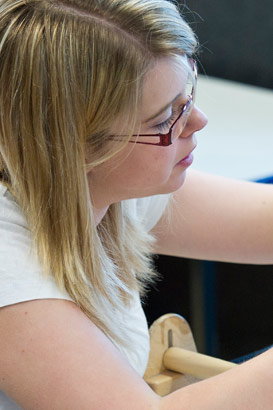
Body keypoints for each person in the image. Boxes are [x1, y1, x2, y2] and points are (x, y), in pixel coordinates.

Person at [0, 0, 272, 408]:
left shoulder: (101, 186)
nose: (197, 120)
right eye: (166, 119)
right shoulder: (11, 267)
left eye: (189, 90)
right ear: (76, 146)